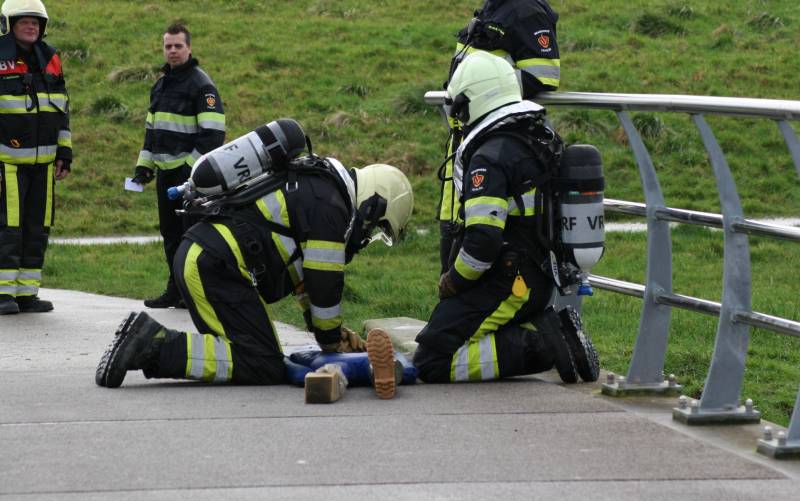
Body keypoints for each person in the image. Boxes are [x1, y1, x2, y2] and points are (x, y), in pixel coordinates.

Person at [96, 119, 414, 398]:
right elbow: (323, 281)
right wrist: (331, 339)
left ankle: (147, 341)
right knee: (261, 362)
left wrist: (332, 335)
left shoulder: (319, 189)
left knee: (244, 354)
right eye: (375, 229)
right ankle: (151, 344)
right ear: (373, 204)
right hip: (216, 265)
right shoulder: (331, 207)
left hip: (204, 259)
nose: (365, 238)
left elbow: (305, 283)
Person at [414, 51, 597, 384]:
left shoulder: (490, 156)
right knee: (442, 334)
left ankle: (546, 344)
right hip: (533, 279)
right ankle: (546, 329)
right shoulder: (537, 136)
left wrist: (455, 279)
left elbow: (483, 240)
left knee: (432, 359)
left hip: (508, 283)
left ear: (474, 100)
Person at [438, 0, 560, 274]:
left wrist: (479, 92)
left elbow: (545, 75)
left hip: (487, 144)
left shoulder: (526, 9)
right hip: (464, 142)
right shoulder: (494, 7)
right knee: (452, 236)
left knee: (471, 244)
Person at [133, 22, 225, 309]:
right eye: (168, 46)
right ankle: (176, 291)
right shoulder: (161, 84)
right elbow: (152, 131)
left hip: (189, 177)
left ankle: (196, 293)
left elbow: (213, 135)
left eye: (178, 46)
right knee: (171, 235)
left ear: (189, 48)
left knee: (192, 235)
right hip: (165, 173)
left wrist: (190, 170)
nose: (172, 51)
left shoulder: (202, 85)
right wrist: (144, 166)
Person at [0, 0, 70, 315]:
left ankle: (27, 293)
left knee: (37, 227)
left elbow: (62, 107)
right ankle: (2, 294)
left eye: (36, 22)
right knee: (8, 228)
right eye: (24, 21)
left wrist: (64, 151)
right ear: (9, 24)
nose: (31, 27)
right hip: (6, 163)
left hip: (43, 164)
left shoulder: (50, 58)